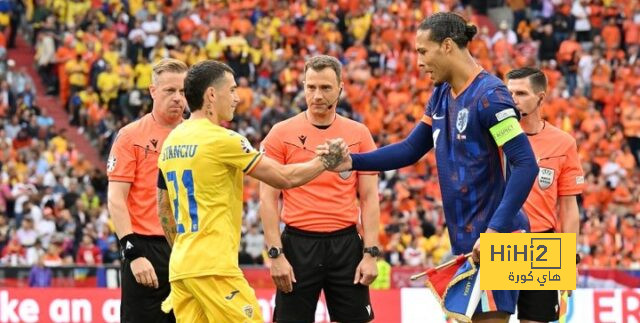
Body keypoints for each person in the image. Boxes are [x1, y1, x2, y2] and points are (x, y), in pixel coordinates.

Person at [320, 12, 539, 322]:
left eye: (423, 51)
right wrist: (351, 161)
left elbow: (526, 163)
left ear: (447, 46)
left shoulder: (491, 97)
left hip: (501, 236)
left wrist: (494, 233)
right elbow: (411, 149)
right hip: (468, 240)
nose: (419, 62)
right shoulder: (440, 95)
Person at [156, 60, 346, 323]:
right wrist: (325, 160)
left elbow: (163, 207)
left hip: (181, 267)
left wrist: (184, 251)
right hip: (214, 268)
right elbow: (282, 177)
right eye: (232, 90)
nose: (236, 98)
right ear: (212, 94)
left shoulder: (172, 141)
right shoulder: (223, 139)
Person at [259, 55, 380, 323]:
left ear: (340, 88)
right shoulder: (281, 133)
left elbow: (370, 198)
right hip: (298, 244)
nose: (317, 95)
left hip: (346, 245)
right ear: (302, 86)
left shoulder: (359, 133)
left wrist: (371, 253)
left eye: (325, 88)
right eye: (311, 87)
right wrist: (275, 254)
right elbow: (268, 199)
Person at [107, 58, 188, 323]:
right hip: (146, 247)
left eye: (183, 91)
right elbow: (116, 199)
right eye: (169, 91)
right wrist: (132, 253)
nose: (178, 98)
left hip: (189, 247)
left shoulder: (198, 134)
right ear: (153, 91)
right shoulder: (131, 135)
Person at [506, 67, 584, 323]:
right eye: (509, 92)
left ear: (541, 98)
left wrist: (569, 261)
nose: (513, 99)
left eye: (521, 93)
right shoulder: (496, 136)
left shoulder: (563, 142)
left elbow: (569, 207)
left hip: (542, 244)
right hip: (500, 240)